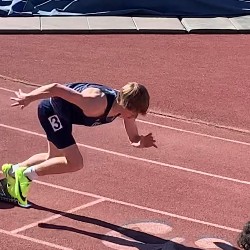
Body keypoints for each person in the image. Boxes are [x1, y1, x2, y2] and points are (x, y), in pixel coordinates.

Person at [1, 81, 156, 207]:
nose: (134, 117)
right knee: (75, 163)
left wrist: (141, 142)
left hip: (65, 116)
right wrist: (29, 97)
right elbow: (56, 88)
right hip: (52, 111)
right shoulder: (95, 101)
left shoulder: (125, 110)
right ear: (125, 104)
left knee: (53, 157)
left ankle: (13, 171)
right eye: (134, 113)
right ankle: (25, 176)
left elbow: (133, 138)